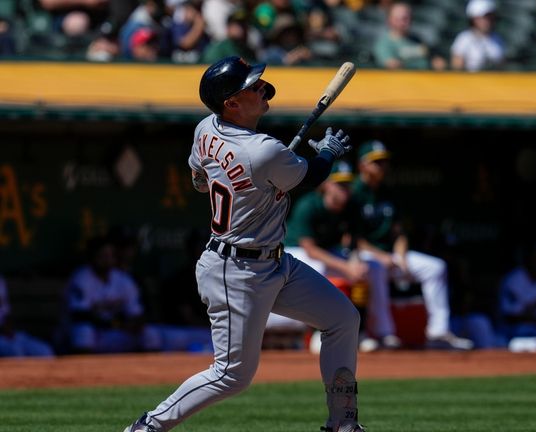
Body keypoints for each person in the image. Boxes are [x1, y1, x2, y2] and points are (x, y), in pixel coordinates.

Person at [123, 56, 364, 432]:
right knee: (231, 375)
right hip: (235, 271)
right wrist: (328, 153)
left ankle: (342, 424)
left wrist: (259, 181)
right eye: (251, 86)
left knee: (343, 319)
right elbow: (311, 175)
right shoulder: (263, 150)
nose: (261, 88)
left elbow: (200, 181)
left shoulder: (207, 128)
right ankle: (147, 427)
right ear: (231, 104)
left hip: (274, 263)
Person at [351, 140, 473, 350]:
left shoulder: (388, 192)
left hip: (390, 257)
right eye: (376, 162)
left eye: (384, 162)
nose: (382, 166)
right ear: (363, 166)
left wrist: (401, 256)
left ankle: (438, 331)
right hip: (364, 258)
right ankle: (384, 333)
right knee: (377, 268)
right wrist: (382, 257)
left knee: (435, 267)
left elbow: (399, 233)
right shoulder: (354, 193)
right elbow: (351, 238)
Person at [284, 160, 402, 351]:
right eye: (340, 184)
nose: (345, 189)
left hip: (328, 252)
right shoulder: (309, 204)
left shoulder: (352, 206)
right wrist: (346, 267)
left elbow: (354, 242)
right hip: (295, 252)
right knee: (318, 270)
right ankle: (318, 331)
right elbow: (310, 249)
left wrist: (356, 263)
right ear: (327, 185)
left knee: (372, 268)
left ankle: (379, 331)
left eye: (347, 184)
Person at [65, 235, 161, 354]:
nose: (107, 259)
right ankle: (82, 370)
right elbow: (79, 315)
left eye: (110, 255)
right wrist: (116, 324)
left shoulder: (122, 279)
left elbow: (136, 313)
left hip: (112, 334)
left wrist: (135, 324)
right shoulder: (81, 278)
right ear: (92, 257)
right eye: (102, 255)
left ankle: (150, 371)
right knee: (83, 331)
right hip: (89, 335)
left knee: (149, 333)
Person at [372, 1, 446, 70]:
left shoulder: (417, 39)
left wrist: (436, 62)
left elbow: (433, 59)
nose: (403, 22)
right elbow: (392, 65)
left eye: (406, 18)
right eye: (398, 19)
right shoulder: (384, 44)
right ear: (389, 21)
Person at [0, 275, 55, 357]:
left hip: (8, 336)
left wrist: (11, 334)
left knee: (45, 351)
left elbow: (6, 313)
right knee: (16, 352)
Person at [449, 0, 505, 72]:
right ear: (474, 18)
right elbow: (457, 68)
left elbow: (501, 68)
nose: (487, 21)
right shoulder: (464, 39)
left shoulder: (498, 39)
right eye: (484, 17)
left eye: (490, 17)